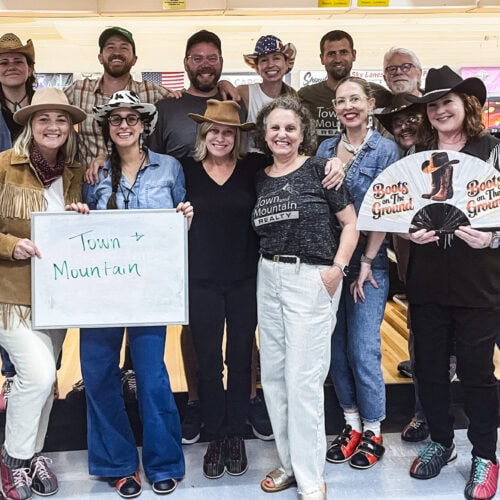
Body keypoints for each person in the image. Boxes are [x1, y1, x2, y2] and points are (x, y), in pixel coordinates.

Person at [81, 90, 191, 498]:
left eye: (131, 118)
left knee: (151, 376)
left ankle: (163, 462)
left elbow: (178, 229)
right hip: (100, 291)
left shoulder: (170, 168)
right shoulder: (93, 174)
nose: (124, 125)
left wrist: (185, 220)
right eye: (116, 119)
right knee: (98, 374)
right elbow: (81, 231)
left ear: (144, 125)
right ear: (107, 128)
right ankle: (118, 464)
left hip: (149, 290)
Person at [253, 96, 359, 500]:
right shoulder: (260, 177)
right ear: (265, 134)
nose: (282, 134)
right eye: (275, 128)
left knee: (303, 380)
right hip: (269, 275)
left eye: (290, 128)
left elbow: (350, 224)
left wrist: (337, 269)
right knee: (275, 377)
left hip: (311, 277)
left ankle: (311, 478)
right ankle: (289, 463)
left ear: (303, 134)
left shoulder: (321, 170)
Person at [403, 65, 500, 500]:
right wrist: (407, 231)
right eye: (433, 105)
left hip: (479, 283)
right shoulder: (417, 155)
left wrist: (494, 238)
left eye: (448, 102)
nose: (440, 110)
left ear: (467, 104)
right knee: (429, 369)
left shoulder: (493, 151)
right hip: (427, 282)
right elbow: (398, 209)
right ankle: (441, 442)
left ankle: (485, 455)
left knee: (478, 373)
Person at [0, 87, 86, 500]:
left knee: (46, 379)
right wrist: (9, 245)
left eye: (60, 119)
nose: (53, 126)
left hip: (56, 296)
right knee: (36, 375)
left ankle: (33, 453)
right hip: (10, 295)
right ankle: (13, 460)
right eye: (44, 119)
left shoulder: (73, 174)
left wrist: (80, 218)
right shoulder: (4, 165)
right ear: (30, 125)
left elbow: (72, 236)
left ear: (70, 127)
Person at [317, 77, 399, 469]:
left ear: (370, 103)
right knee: (334, 347)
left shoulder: (386, 149)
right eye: (340, 101)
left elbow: (385, 208)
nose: (348, 106)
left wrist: (366, 261)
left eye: (355, 99)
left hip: (369, 261)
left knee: (363, 348)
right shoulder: (324, 150)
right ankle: (350, 424)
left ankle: (373, 430)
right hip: (331, 261)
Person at [183, 99, 268, 478]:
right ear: (203, 134)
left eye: (228, 132)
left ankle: (236, 433)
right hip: (199, 279)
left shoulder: (253, 168)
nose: (220, 137)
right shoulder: (184, 169)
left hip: (245, 279)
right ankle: (215, 434)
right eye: (214, 131)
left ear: (238, 137)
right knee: (207, 362)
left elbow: (293, 163)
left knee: (240, 358)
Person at [0, 32, 38, 410]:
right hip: (4, 216)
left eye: (18, 60)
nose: (11, 67)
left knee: (43, 297)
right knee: (7, 296)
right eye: (3, 62)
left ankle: (44, 375)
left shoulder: (44, 107)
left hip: (40, 213)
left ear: (29, 68)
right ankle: (13, 376)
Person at [298, 30, 391, 146]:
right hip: (318, 157)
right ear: (322, 58)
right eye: (331, 54)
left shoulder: (377, 93)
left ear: (354, 55)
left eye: (343, 52)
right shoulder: (306, 95)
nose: (338, 59)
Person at [238, 34, 297, 152]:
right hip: (250, 161)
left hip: (284, 160)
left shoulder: (295, 97)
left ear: (286, 63)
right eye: (264, 60)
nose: (270, 64)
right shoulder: (245, 93)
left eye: (276, 58)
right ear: (256, 67)